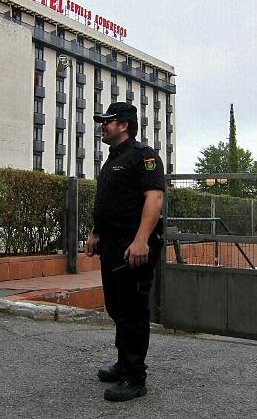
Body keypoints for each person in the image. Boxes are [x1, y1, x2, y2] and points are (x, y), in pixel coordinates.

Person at [86, 102, 165, 402]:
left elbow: (154, 199)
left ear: (124, 125)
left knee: (132, 311)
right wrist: (95, 234)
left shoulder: (143, 156)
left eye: (108, 121)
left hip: (135, 246)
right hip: (112, 245)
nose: (102, 126)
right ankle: (123, 363)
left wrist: (142, 240)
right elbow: (108, 203)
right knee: (116, 308)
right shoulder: (112, 160)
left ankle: (134, 377)